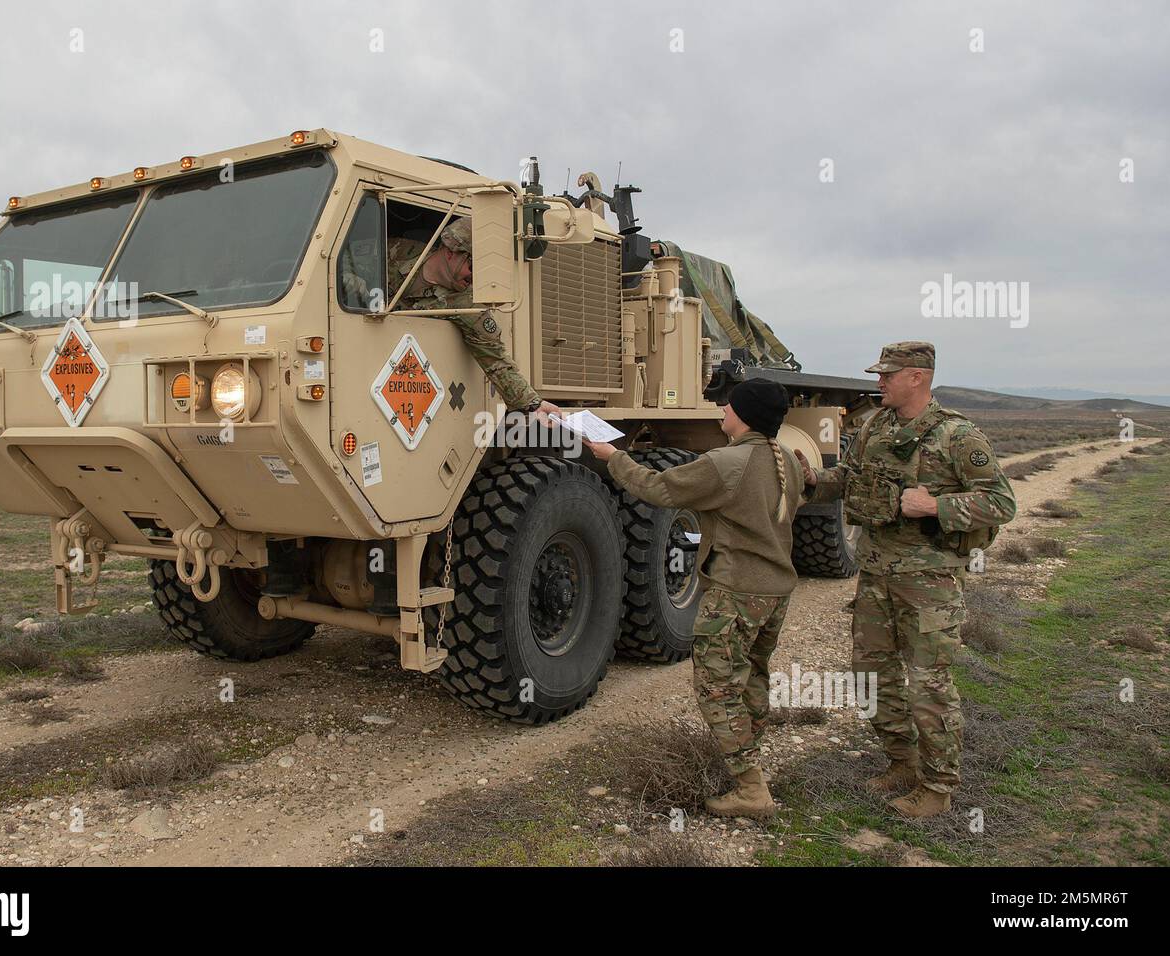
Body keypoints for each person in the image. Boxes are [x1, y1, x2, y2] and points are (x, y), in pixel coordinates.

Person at [794, 342, 1016, 818]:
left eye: (887, 375)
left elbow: (1001, 503)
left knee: (928, 684)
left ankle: (937, 788)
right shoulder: (875, 425)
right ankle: (902, 761)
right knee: (872, 674)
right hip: (875, 574)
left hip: (929, 581)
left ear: (917, 377)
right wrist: (813, 478)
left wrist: (936, 505)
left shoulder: (957, 435)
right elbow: (849, 479)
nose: (878, 382)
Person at [587, 379, 803, 819]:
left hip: (737, 592)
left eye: (729, 405)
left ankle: (750, 787)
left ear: (744, 416)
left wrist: (615, 459)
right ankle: (750, 760)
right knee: (753, 677)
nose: (722, 408)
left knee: (716, 688)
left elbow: (659, 488)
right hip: (775, 591)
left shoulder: (726, 463)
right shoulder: (786, 461)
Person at [344, 218, 559, 419]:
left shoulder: (467, 303)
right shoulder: (396, 251)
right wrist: (351, 283)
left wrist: (532, 404)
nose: (475, 278)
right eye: (473, 267)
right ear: (451, 252)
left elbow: (495, 358)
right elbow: (338, 259)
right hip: (355, 362)